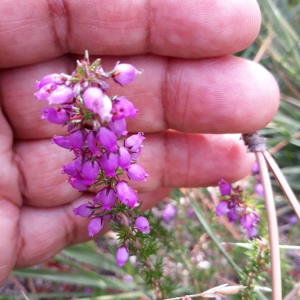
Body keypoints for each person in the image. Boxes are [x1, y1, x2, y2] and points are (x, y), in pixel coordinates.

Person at [0, 0, 279, 286]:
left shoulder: (109, 117)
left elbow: (113, 142)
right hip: (101, 156)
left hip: (112, 155)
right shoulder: (80, 125)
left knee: (116, 170)